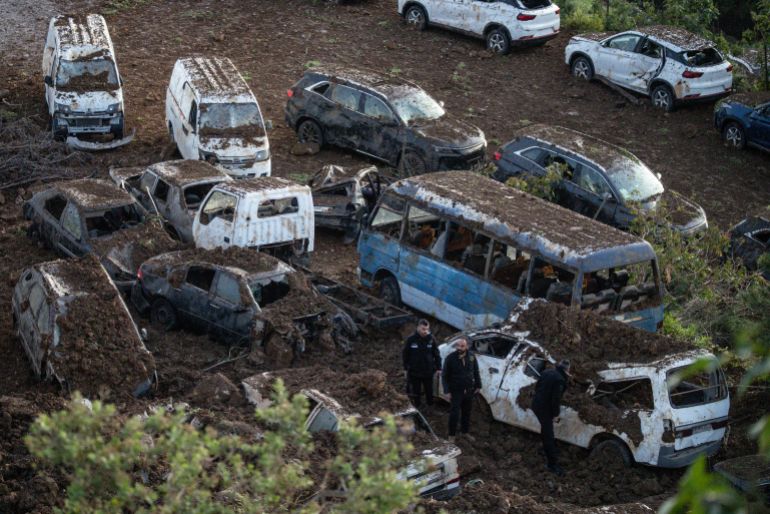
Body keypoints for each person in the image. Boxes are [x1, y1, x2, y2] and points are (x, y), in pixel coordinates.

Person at [532, 359, 570, 476]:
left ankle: (546, 447)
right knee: (549, 434)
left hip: (536, 404)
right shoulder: (560, 380)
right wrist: (555, 414)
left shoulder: (547, 372)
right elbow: (555, 400)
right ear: (567, 370)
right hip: (545, 409)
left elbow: (537, 387)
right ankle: (552, 465)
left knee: (545, 430)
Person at [442, 337, 481, 440]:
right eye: (458, 345)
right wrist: (446, 391)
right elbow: (444, 376)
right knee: (454, 413)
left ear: (467, 346)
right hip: (456, 390)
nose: (459, 348)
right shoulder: (450, 358)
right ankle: (451, 435)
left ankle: (465, 432)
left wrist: (478, 385)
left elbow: (476, 371)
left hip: (469, 390)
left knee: (466, 412)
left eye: (462, 346)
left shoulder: (471, 356)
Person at [402, 319, 441, 408]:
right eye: (423, 329)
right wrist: (405, 368)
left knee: (429, 390)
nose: (425, 331)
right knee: (416, 391)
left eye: (427, 329)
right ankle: (417, 406)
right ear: (418, 328)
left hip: (428, 371)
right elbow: (405, 355)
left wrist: (439, 368)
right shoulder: (411, 339)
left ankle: (430, 405)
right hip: (415, 372)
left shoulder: (431, 339)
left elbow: (436, 354)